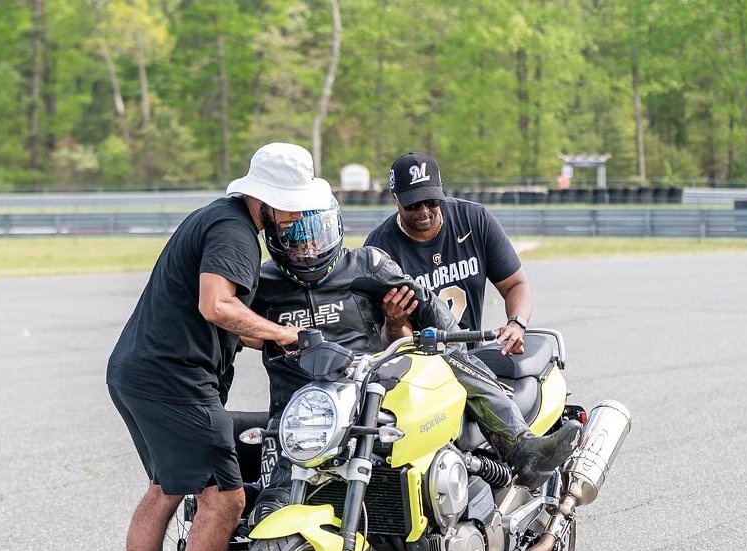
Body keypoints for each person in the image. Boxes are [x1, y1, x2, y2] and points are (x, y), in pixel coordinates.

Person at [105, 142, 333, 551]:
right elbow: (217, 305)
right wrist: (283, 332)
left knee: (167, 487)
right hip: (174, 381)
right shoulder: (234, 232)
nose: (298, 218)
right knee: (225, 500)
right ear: (270, 201)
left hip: (137, 372)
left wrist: (272, 340)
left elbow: (215, 316)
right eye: (294, 207)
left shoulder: (216, 218)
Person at [245, 196, 581, 514]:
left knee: (445, 355)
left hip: (370, 393)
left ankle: (520, 448)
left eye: (317, 238)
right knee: (269, 508)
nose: (309, 249)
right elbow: (226, 328)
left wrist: (430, 331)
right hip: (297, 413)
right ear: (275, 236)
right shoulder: (263, 282)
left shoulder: (366, 263)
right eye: (298, 240)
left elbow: (427, 304)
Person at [365, 151, 531, 356]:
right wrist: (394, 325)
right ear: (395, 197)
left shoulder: (475, 220)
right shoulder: (379, 251)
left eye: (432, 201)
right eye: (413, 204)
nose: (424, 211)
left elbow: (515, 284)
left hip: (472, 357)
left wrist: (516, 324)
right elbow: (384, 338)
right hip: (418, 364)